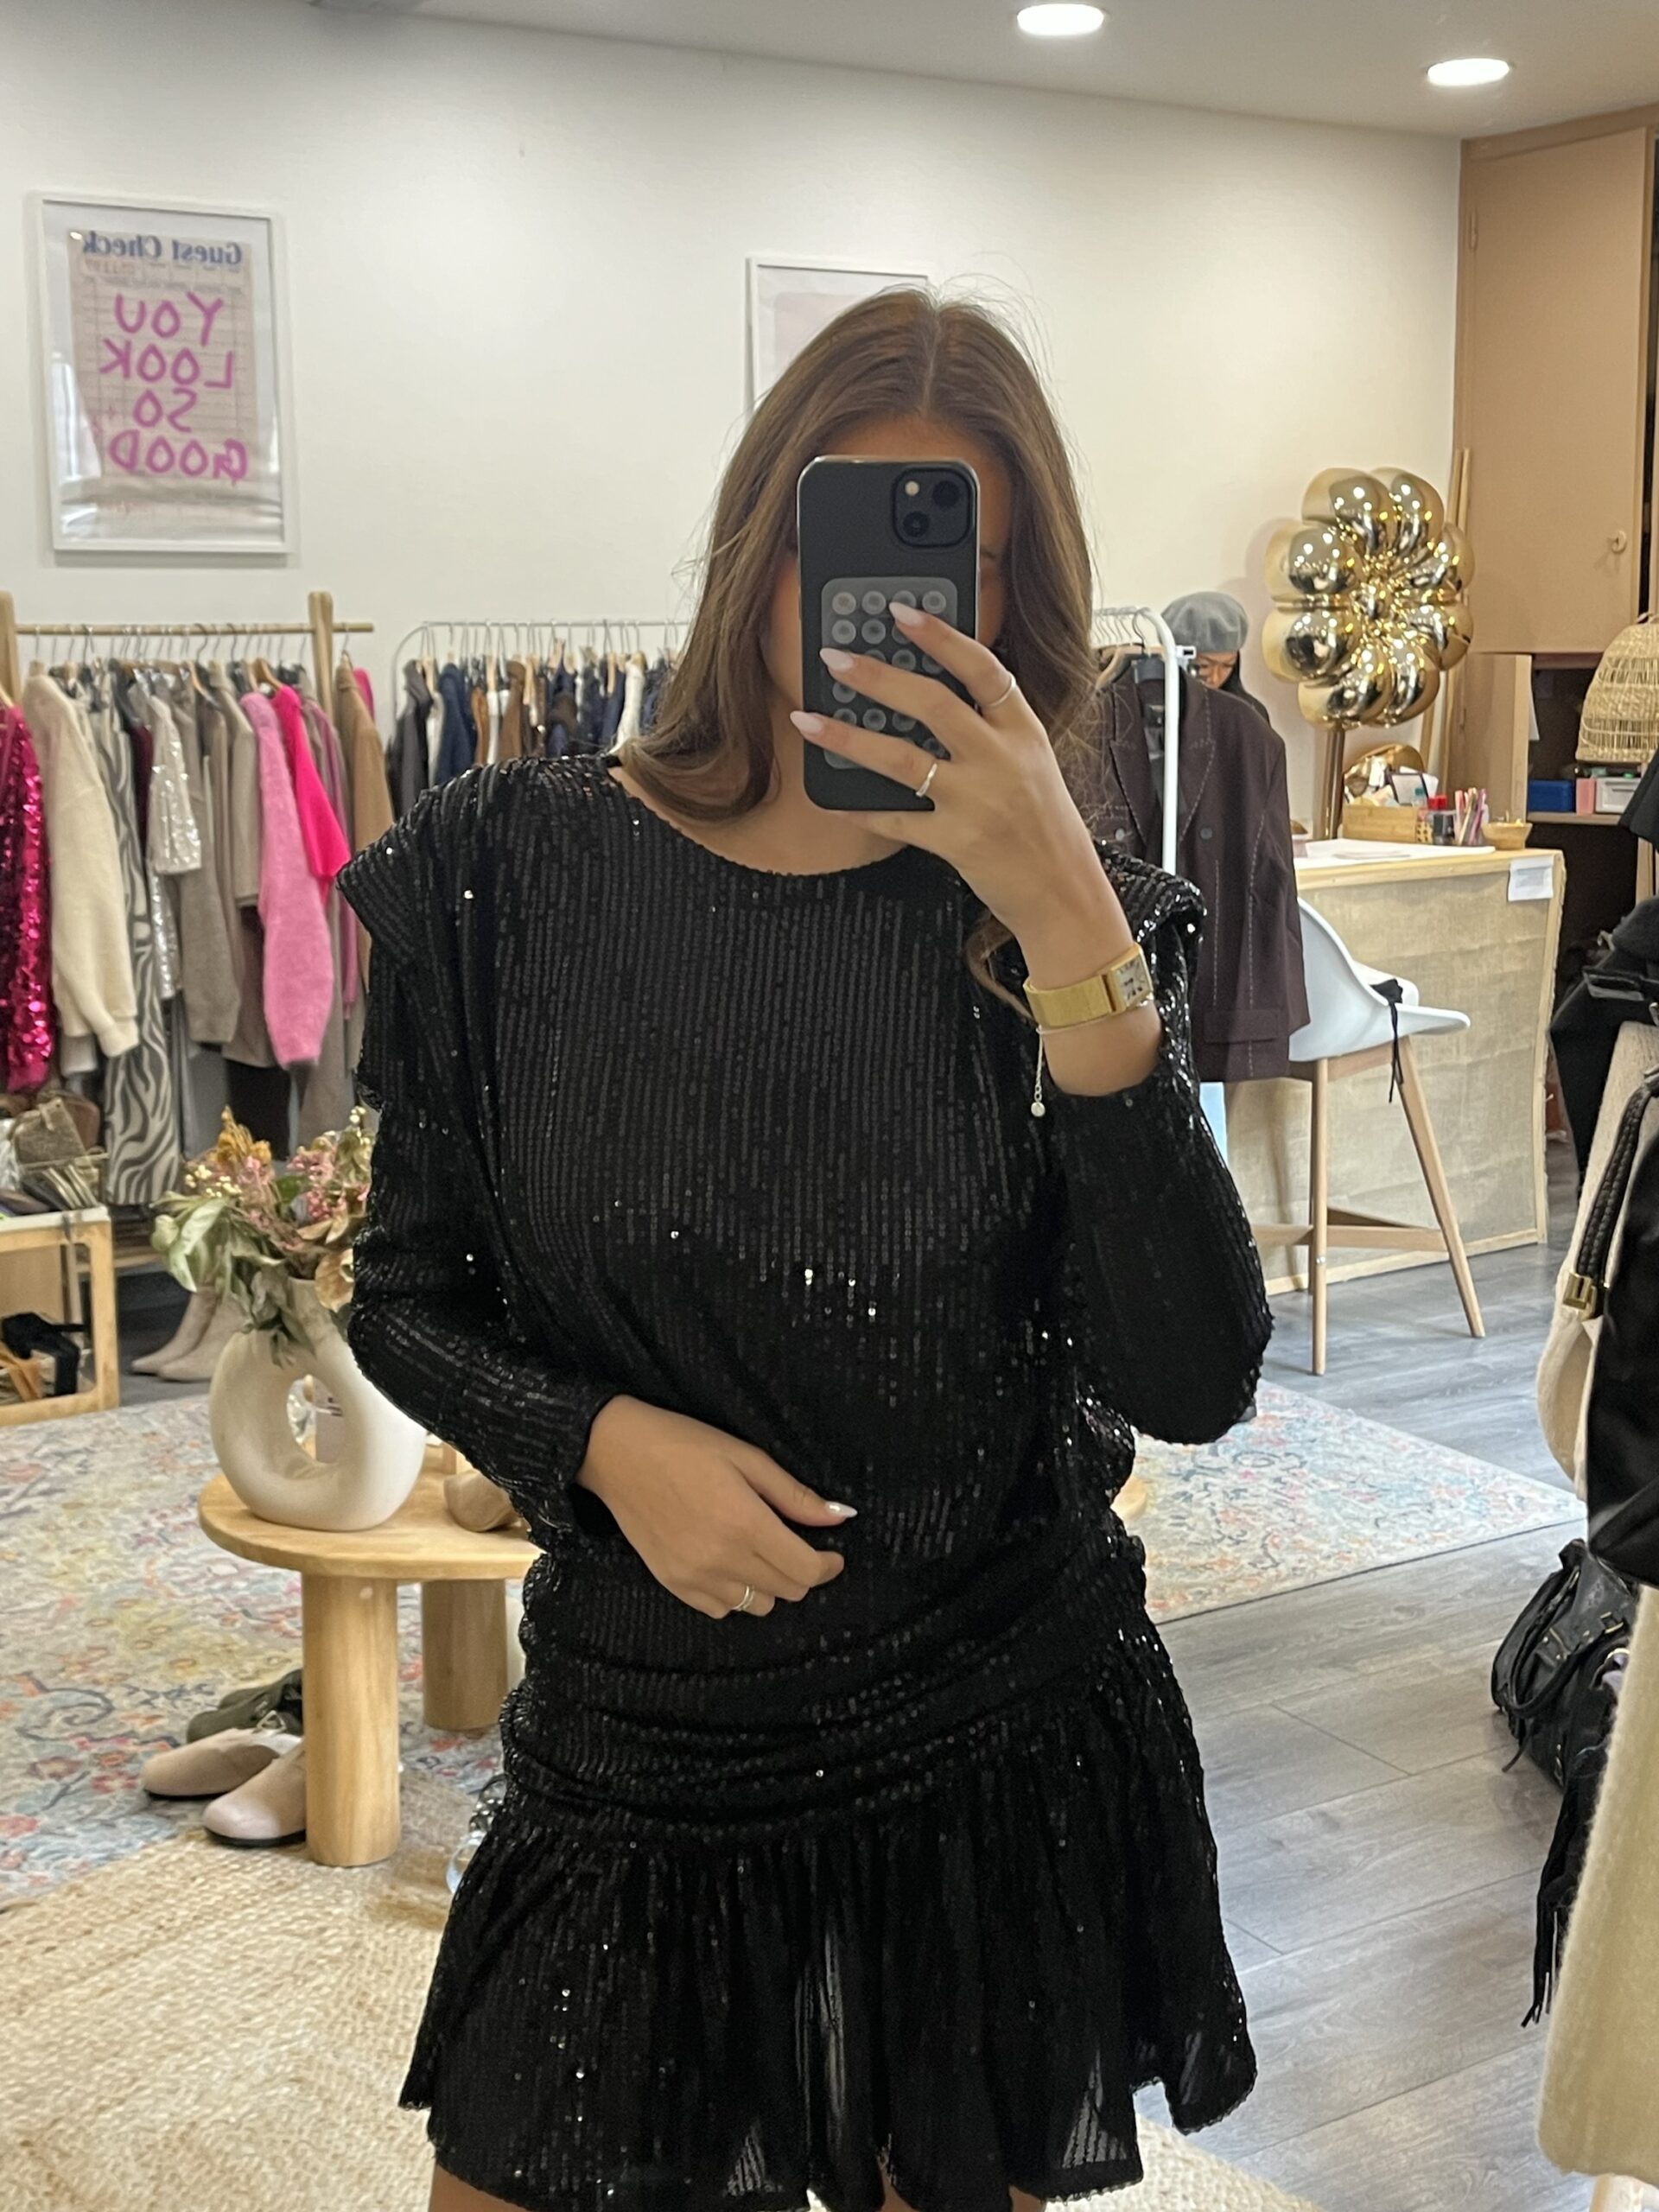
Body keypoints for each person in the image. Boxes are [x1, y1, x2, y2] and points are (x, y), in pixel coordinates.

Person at [340, 289, 1271, 2212]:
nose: (880, 615)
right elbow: (404, 1298)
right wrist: (602, 1442)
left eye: (953, 564)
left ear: (1016, 602)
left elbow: (1194, 1380)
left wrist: (1074, 936)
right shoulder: (506, 867)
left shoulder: (1079, 925)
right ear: (758, 546)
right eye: (840, 538)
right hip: (640, 1753)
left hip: (990, 1741)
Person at [1162, 589, 1274, 724]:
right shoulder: (1155, 710)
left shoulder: (1250, 712)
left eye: (1227, 665)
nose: (1215, 678)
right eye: (1204, 666)